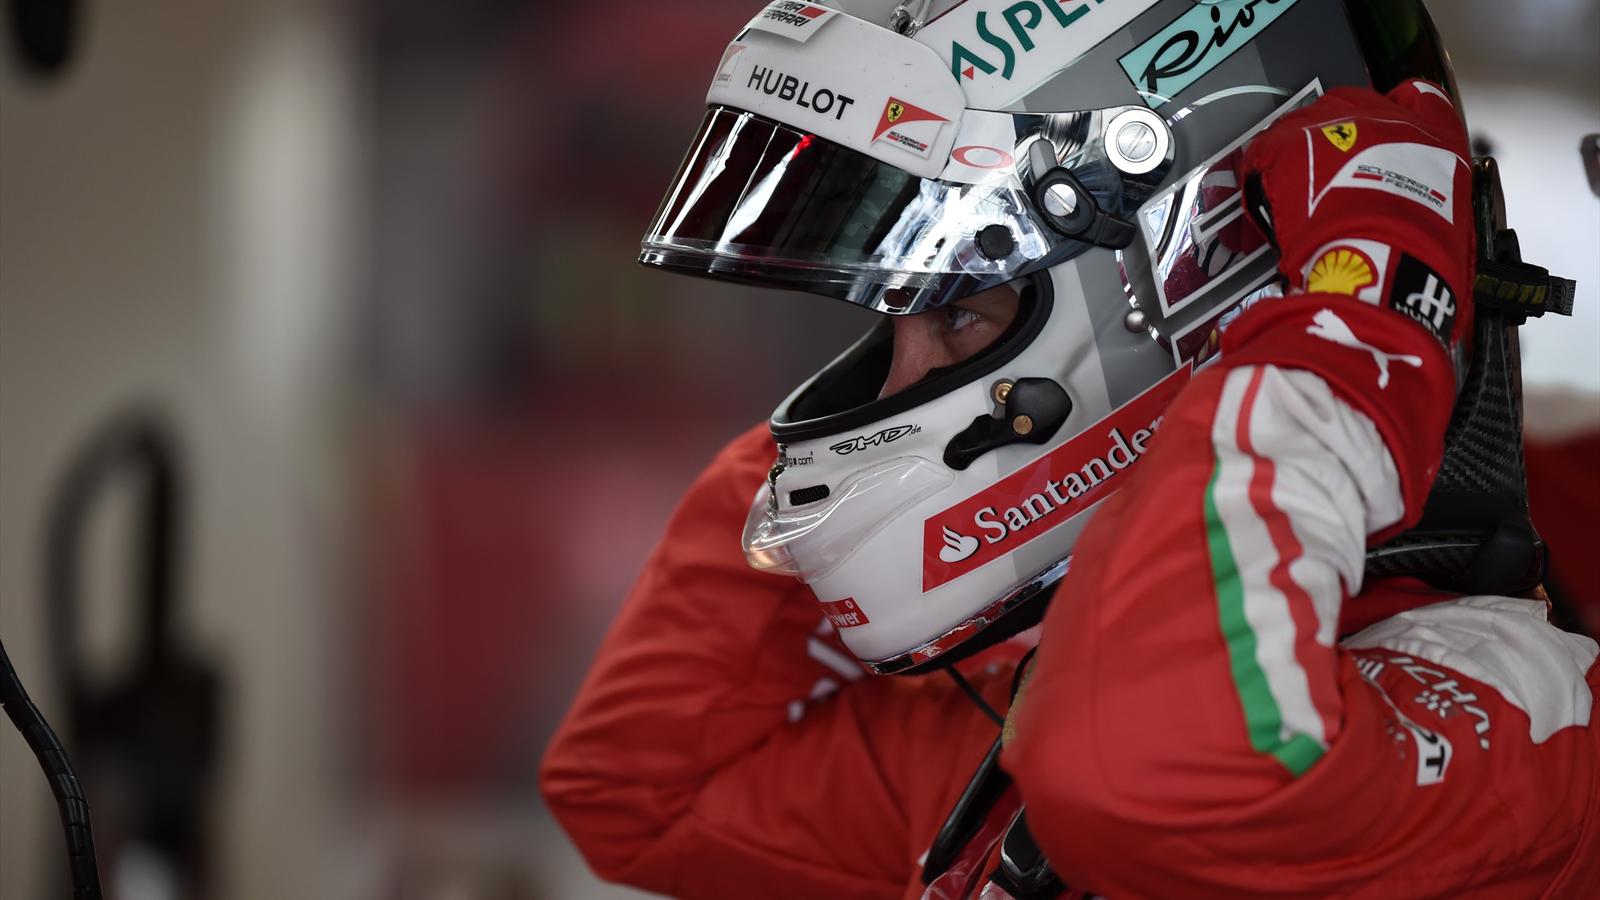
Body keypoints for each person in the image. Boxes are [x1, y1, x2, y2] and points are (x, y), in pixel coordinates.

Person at [541, 1, 1599, 896]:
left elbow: (1160, 770)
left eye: (959, 312)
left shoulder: (1523, 714)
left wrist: (1339, 333)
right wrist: (836, 458)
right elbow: (641, 787)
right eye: (888, 326)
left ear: (1200, 272)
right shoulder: (1036, 716)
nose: (896, 384)